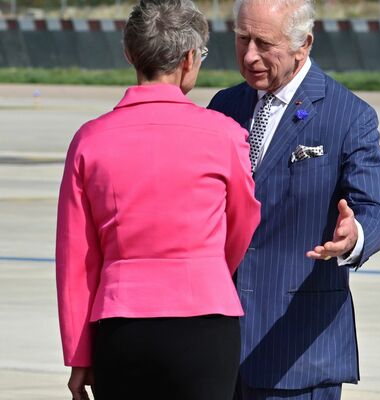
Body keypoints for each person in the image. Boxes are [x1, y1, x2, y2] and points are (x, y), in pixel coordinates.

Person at [55, 1, 261, 399]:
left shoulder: (90, 140)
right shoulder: (225, 136)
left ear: (129, 54)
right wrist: (205, 267)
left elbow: (76, 260)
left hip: (122, 325)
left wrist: (79, 355)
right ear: (189, 60)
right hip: (206, 321)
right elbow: (241, 227)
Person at [207, 0, 380, 398]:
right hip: (220, 347)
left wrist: (354, 237)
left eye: (264, 43)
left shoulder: (348, 116)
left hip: (298, 350)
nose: (250, 55)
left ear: (303, 45)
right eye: (242, 39)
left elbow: (377, 210)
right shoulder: (224, 107)